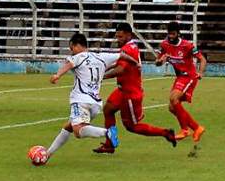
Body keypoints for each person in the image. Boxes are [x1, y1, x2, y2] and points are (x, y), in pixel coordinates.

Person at [93, 23, 177, 154]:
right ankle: (110, 144)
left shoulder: (129, 48)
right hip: (122, 90)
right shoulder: (129, 46)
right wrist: (103, 69)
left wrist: (101, 77)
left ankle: (165, 133)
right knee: (108, 110)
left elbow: (120, 69)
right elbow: (117, 62)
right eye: (117, 36)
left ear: (128, 35)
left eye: (120, 36)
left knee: (132, 127)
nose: (118, 39)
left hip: (130, 93)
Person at [46, 33, 121, 161]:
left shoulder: (78, 56)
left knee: (77, 130)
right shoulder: (101, 57)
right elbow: (122, 56)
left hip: (80, 100)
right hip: (96, 104)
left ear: (76, 45)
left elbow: (68, 64)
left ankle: (107, 132)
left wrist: (57, 75)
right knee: (69, 127)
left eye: (71, 48)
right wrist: (135, 63)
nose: (71, 52)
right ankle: (47, 154)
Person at [155, 21, 206, 142]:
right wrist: (161, 60)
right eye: (169, 34)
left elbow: (202, 59)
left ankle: (184, 130)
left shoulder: (187, 46)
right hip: (180, 78)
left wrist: (201, 72)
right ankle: (197, 128)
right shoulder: (164, 45)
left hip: (189, 76)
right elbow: (157, 62)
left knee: (173, 99)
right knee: (172, 108)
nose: (171, 36)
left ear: (178, 33)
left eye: (173, 34)